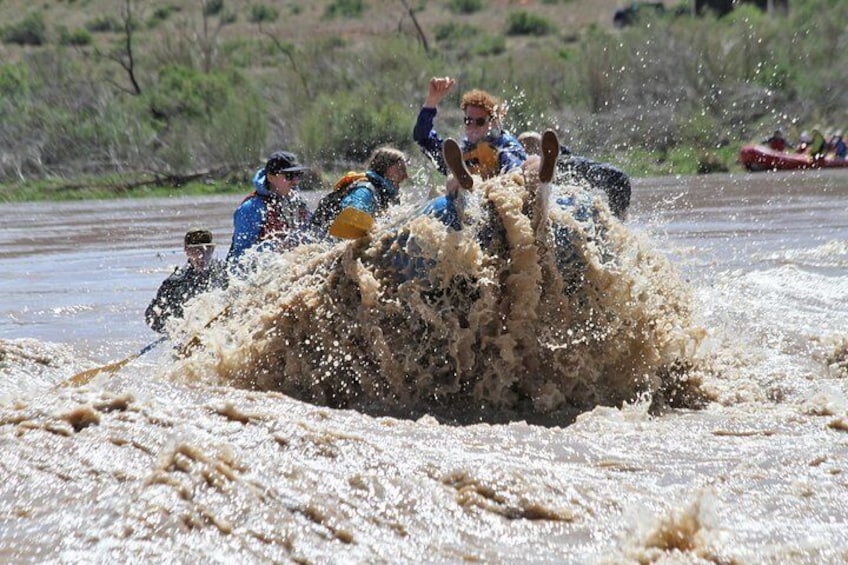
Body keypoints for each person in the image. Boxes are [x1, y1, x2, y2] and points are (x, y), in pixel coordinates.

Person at [412, 76, 529, 191]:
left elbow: (515, 162)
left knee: (530, 157)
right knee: (452, 181)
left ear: (493, 122)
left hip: (501, 193)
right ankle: (464, 182)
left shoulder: (503, 143)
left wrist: (513, 173)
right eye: (468, 121)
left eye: (480, 122)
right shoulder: (458, 152)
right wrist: (432, 101)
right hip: (470, 200)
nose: (473, 126)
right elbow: (422, 137)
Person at [519, 131, 632, 220]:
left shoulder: (569, 164)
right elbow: (619, 177)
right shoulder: (571, 164)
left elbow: (618, 178)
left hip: (568, 208)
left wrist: (616, 219)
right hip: (576, 211)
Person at [227, 150, 312, 264]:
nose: (295, 181)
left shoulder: (298, 203)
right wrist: (276, 250)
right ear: (271, 177)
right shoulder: (251, 208)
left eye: (297, 175)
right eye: (289, 176)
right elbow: (241, 259)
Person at [310, 147, 409, 239]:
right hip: (325, 239)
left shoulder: (385, 194)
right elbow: (351, 220)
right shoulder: (365, 191)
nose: (405, 176)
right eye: (401, 169)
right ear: (386, 168)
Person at [145, 228, 227, 333]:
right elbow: (152, 317)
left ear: (213, 250)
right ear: (187, 251)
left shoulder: (224, 272)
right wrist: (172, 328)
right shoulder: (174, 283)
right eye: (196, 250)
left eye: (207, 249)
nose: (202, 255)